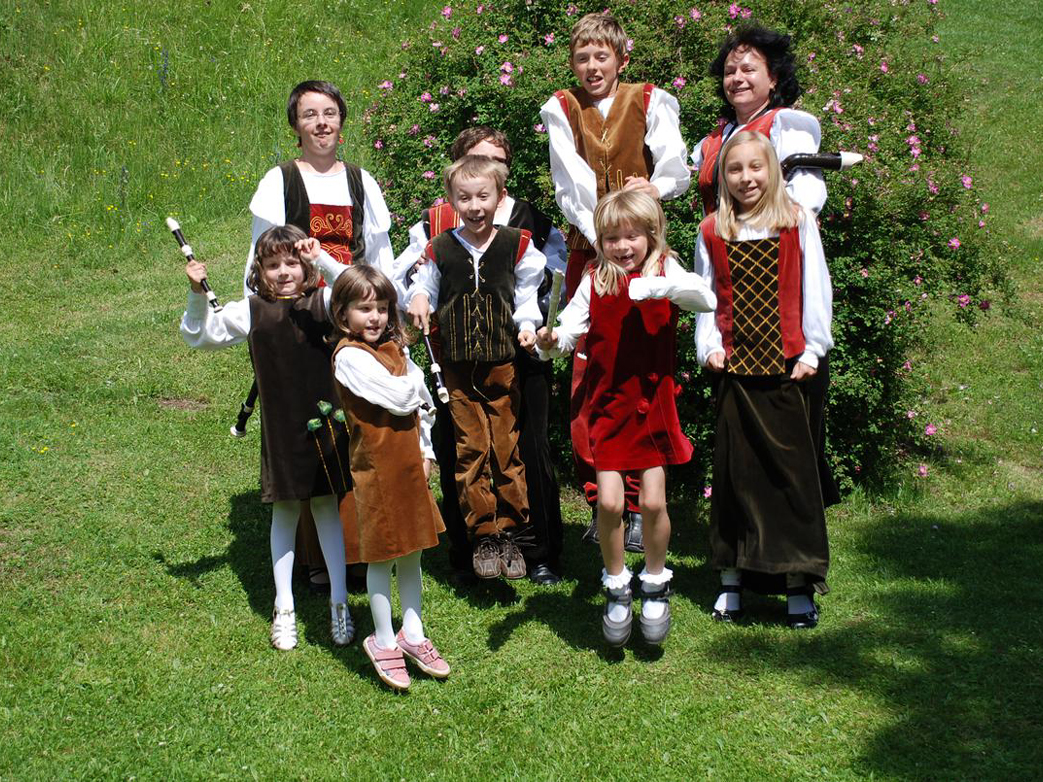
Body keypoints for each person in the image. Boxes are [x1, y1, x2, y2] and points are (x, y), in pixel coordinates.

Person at [536, 190, 716, 646]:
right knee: (611, 505)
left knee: (653, 503)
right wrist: (550, 342)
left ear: (651, 234)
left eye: (631, 236)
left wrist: (661, 288)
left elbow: (705, 298)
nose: (621, 246)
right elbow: (569, 331)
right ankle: (617, 585)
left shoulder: (666, 268)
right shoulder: (595, 278)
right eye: (611, 238)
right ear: (600, 242)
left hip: (652, 405)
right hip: (609, 407)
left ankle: (655, 581)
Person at [540, 11, 691, 550]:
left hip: (642, 251)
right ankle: (601, 497)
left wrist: (649, 196)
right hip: (592, 249)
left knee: (643, 362)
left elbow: (674, 167)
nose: (592, 66)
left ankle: (639, 499)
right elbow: (570, 185)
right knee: (591, 373)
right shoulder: (562, 108)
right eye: (582, 57)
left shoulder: (648, 100)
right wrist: (603, 239)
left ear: (621, 59)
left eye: (601, 56)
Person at [392, 127, 567, 586]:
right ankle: (477, 540)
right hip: (455, 364)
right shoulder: (437, 237)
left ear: (501, 186)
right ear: (453, 192)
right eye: (464, 196)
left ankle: (521, 537)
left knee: (512, 449)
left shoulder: (523, 234)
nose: (474, 205)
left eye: (495, 166)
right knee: (468, 450)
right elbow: (415, 280)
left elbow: (537, 288)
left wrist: (530, 325)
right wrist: (417, 296)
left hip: (508, 359)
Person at [241, 80, 396, 594]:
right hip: (302, 323)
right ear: (296, 125)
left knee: (357, 431)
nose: (321, 123)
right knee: (310, 430)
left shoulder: (360, 181)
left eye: (329, 113)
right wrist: (261, 322)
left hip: (354, 319)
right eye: (309, 114)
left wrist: (384, 313)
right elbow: (261, 257)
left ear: (342, 121)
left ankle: (359, 549)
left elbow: (378, 254)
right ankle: (314, 559)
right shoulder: (279, 181)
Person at [180, 225, 353, 651]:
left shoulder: (325, 302)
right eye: (273, 265)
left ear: (306, 266)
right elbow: (199, 336)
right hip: (282, 431)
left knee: (327, 507)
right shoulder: (251, 311)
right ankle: (284, 606)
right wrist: (197, 294)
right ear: (259, 271)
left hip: (326, 426)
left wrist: (322, 259)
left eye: (292, 262)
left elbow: (356, 291)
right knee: (285, 511)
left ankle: (339, 601)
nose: (283, 272)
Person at [691, 25, 839, 507]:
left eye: (748, 69)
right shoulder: (718, 137)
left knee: (791, 432)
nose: (737, 77)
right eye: (730, 70)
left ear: (773, 78)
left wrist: (758, 228)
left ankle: (796, 532)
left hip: (776, 280)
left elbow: (806, 197)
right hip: (727, 277)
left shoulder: (786, 125)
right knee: (741, 434)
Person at [695, 131, 833, 629]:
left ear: (771, 170)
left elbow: (816, 286)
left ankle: (797, 582)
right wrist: (709, 345)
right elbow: (707, 294)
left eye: (756, 167)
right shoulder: (713, 229)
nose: (746, 178)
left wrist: (812, 348)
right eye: (735, 169)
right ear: (723, 177)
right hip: (735, 369)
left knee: (792, 480)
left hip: (787, 369)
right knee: (736, 477)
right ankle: (732, 578)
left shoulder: (797, 222)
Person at [330, 266, 448, 691]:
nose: (376, 317)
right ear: (343, 314)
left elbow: (424, 411)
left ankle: (412, 633)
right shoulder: (349, 357)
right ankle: (382, 640)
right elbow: (401, 398)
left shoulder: (396, 350)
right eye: (364, 309)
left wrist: (426, 451)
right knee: (382, 557)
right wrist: (417, 382)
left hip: (409, 466)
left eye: (382, 308)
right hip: (376, 471)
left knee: (413, 551)